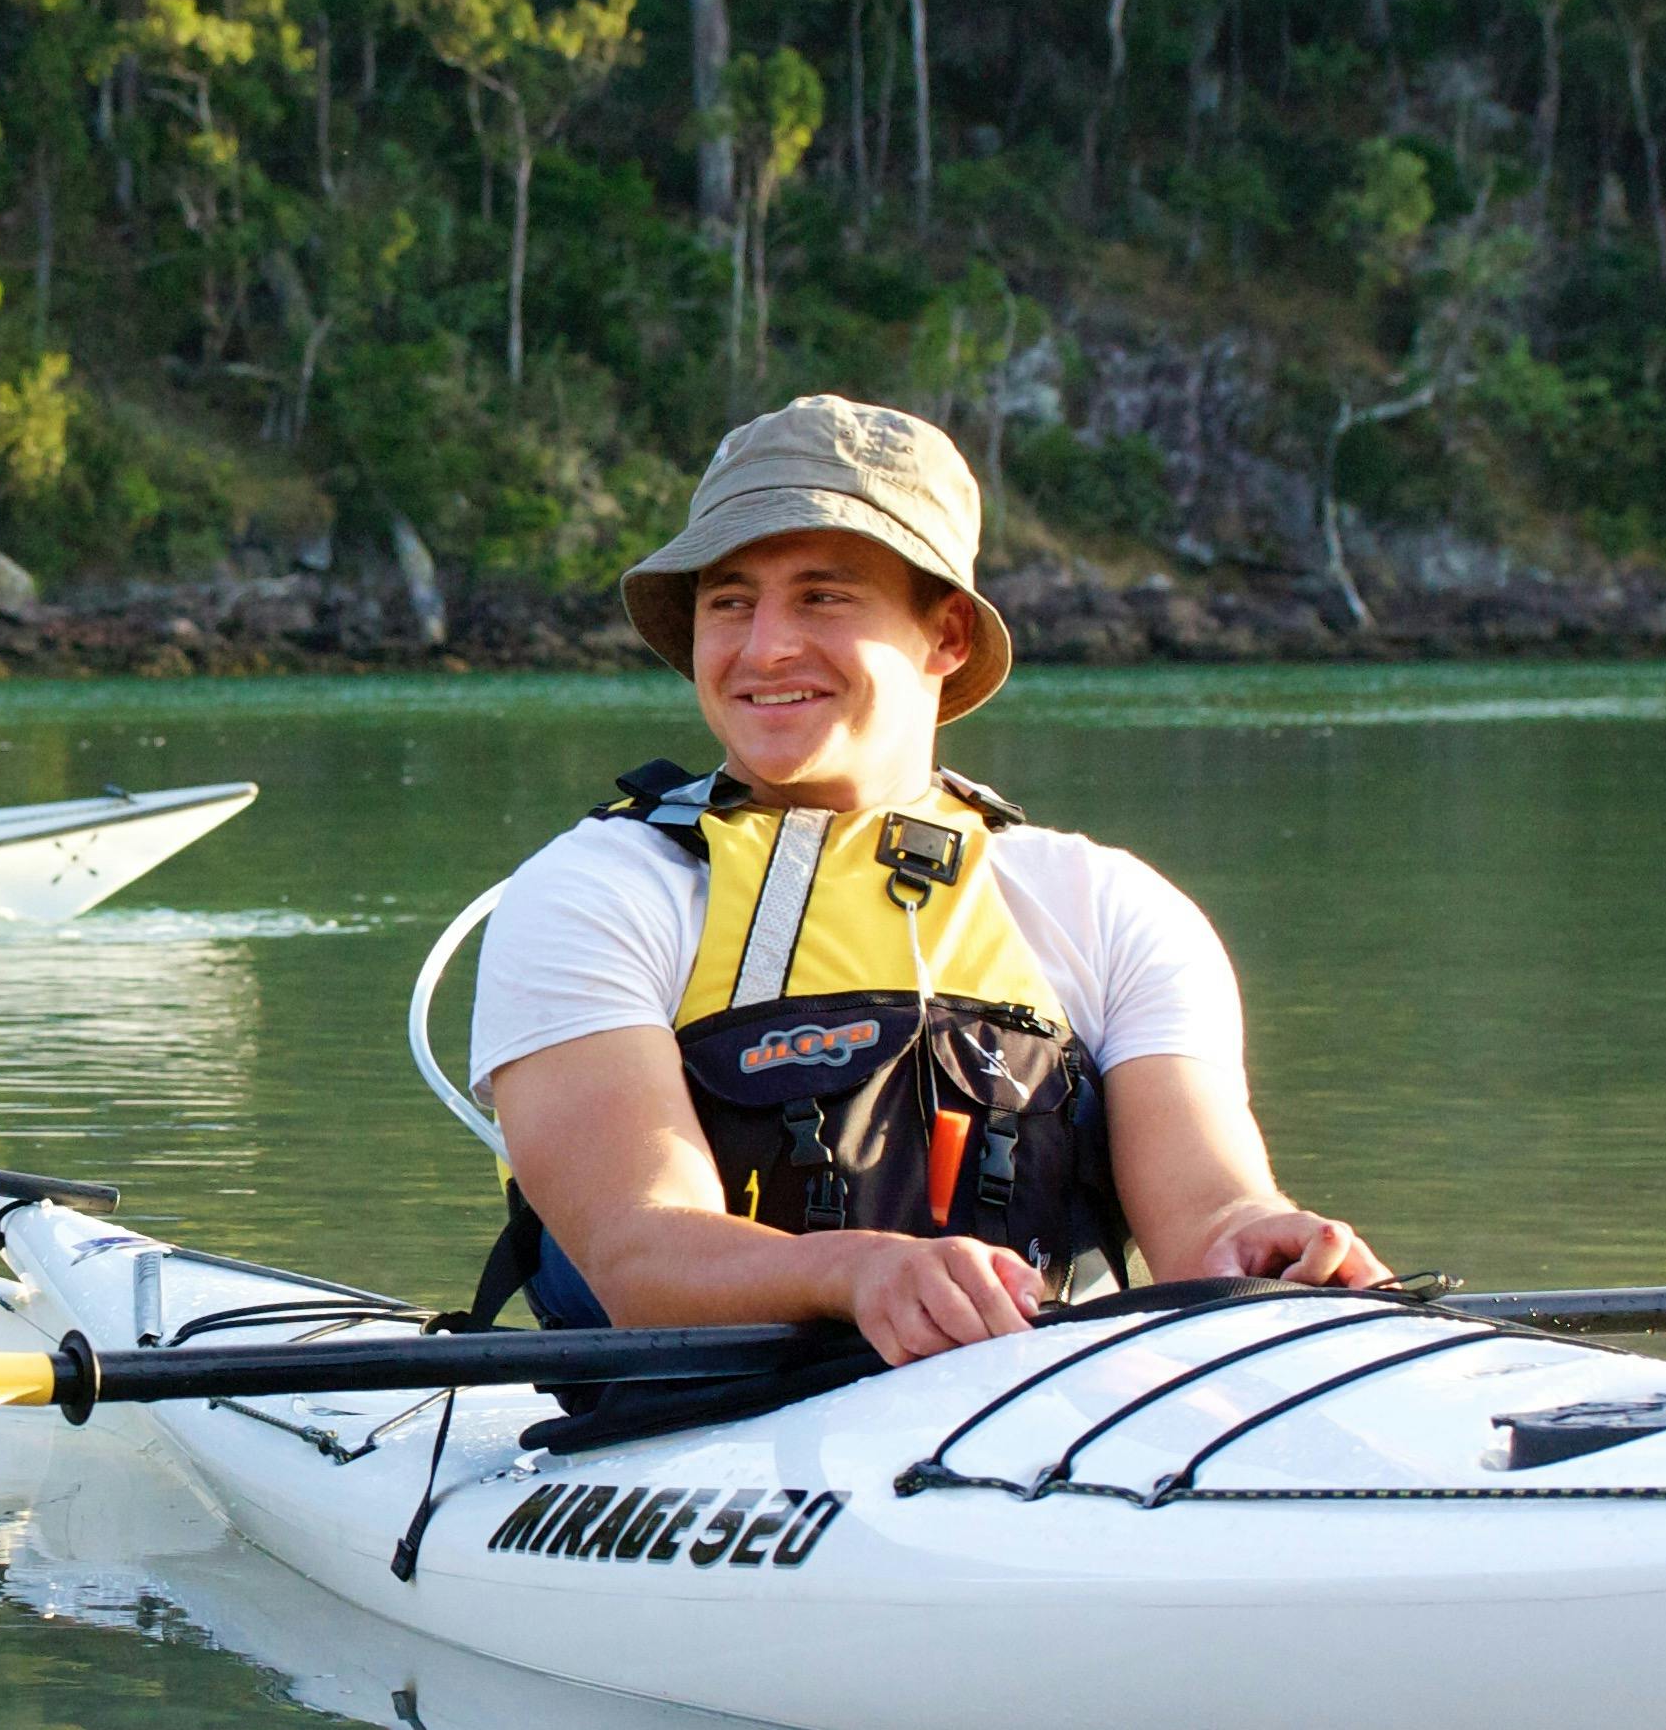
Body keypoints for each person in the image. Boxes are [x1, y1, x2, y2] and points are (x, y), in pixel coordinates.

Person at [467, 395, 1384, 1368]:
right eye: (729, 602)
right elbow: (639, 1252)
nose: (764, 647)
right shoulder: (592, 893)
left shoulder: (1109, 908)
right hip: (687, 1429)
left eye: (823, 597)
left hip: (1043, 1417)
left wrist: (1262, 1247)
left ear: (946, 636)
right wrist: (861, 1273)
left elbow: (1208, 1216)